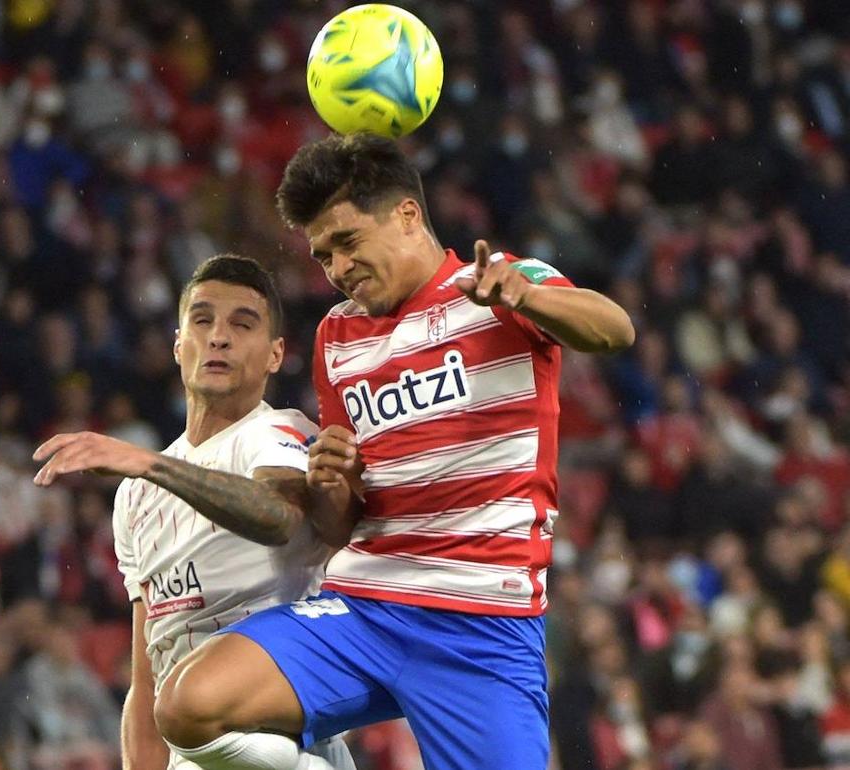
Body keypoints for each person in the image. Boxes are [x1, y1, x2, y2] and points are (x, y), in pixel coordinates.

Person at [151, 133, 636, 770]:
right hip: (364, 611)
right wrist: (333, 484)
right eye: (323, 254)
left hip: (482, 630)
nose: (337, 268)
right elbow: (340, 522)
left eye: (348, 242)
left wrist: (526, 297)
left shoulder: (497, 286)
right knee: (188, 704)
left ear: (407, 215)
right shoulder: (336, 336)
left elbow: (615, 329)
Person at [32, 255, 355, 770]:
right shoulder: (135, 498)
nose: (218, 337)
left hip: (277, 734)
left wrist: (147, 462)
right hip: (195, 745)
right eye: (202, 321)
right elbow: (147, 675)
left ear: (276, 355)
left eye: (241, 324)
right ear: (179, 345)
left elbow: (278, 516)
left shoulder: (281, 434)